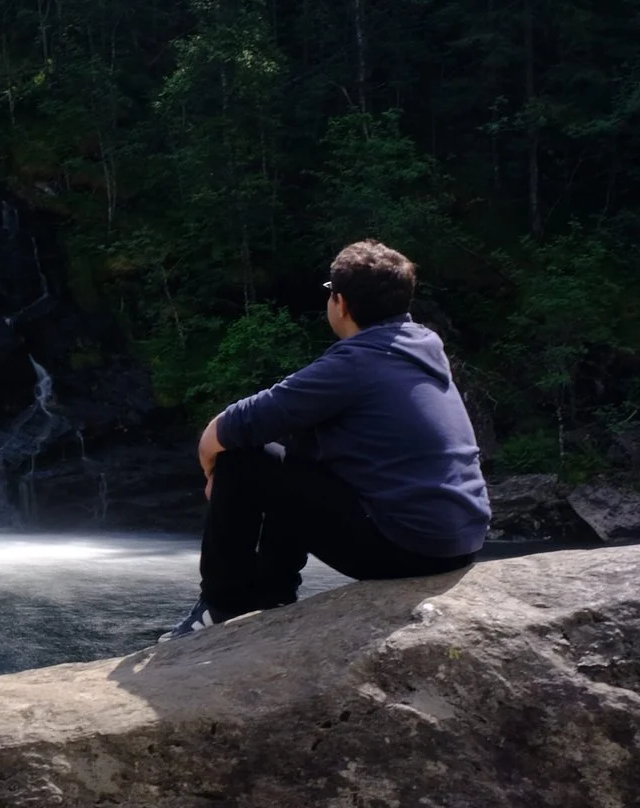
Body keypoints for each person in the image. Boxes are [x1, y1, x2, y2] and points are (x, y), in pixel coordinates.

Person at [165, 239, 490, 639]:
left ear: (341, 303)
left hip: (408, 549)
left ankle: (222, 604)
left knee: (242, 458)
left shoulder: (355, 364)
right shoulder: (421, 348)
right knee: (293, 456)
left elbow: (228, 428)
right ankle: (273, 594)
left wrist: (214, 472)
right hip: (461, 542)